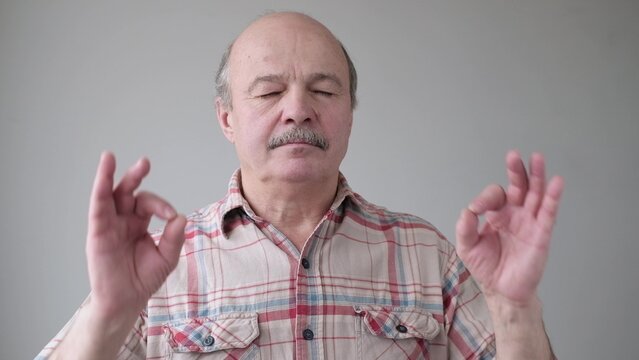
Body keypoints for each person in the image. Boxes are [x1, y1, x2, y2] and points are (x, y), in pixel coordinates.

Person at [37, 11, 563, 359]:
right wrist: (108, 313)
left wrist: (515, 309)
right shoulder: (156, 270)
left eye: (323, 89)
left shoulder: (428, 255)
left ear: (349, 116)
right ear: (227, 118)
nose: (298, 109)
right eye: (268, 92)